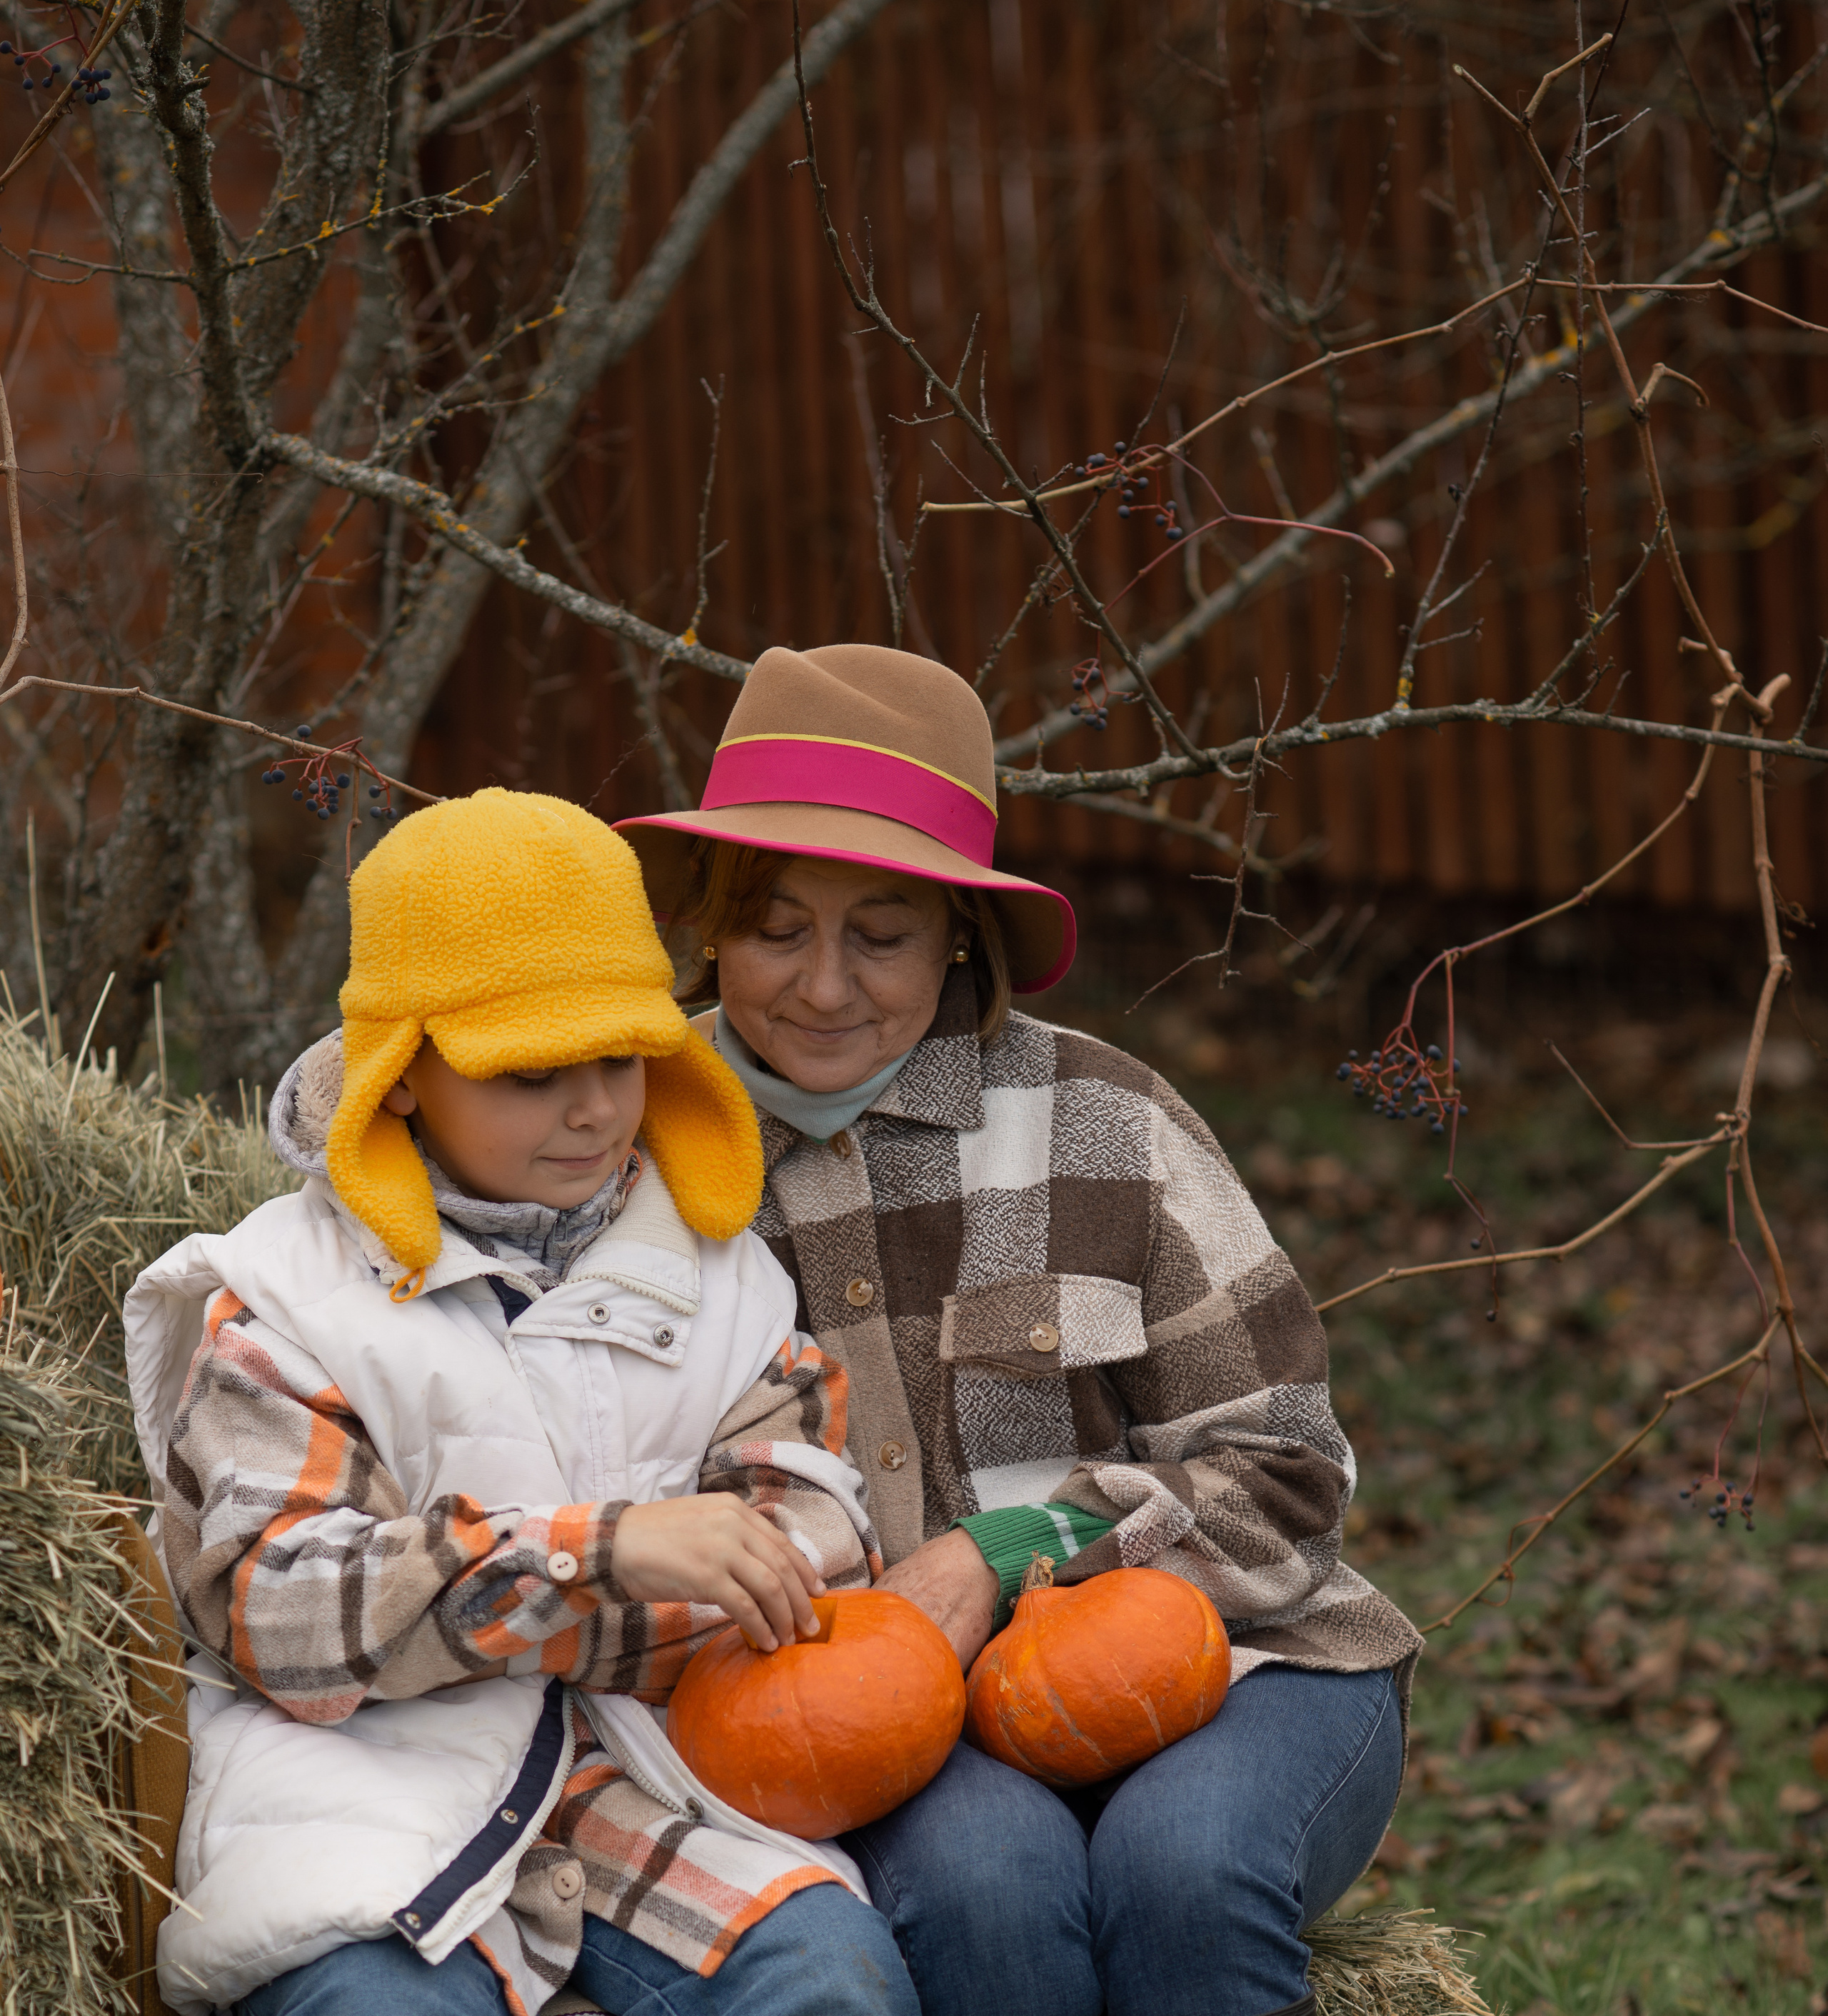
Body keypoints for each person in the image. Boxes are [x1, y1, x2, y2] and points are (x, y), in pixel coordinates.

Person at [618, 643, 1427, 2016]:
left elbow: (1286, 1476)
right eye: (776, 928)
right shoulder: (627, 1147)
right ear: (709, 927)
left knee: (1187, 1872)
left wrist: (1018, 1549)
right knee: (990, 1889)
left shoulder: (1106, 1125)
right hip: (865, 1708)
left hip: (1235, 1654)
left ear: (960, 936)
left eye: (879, 934)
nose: (822, 986)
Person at [124, 789, 918, 2016]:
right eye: (532, 1075)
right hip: (362, 1784)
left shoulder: (727, 1280)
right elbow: (282, 1621)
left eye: (621, 1059)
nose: (595, 1109)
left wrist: (468, 1616)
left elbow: (813, 1554)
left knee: (831, 1979)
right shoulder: (282, 1300)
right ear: (398, 1078)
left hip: (643, 1777)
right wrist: (609, 1555)